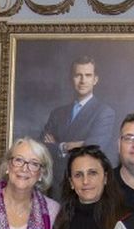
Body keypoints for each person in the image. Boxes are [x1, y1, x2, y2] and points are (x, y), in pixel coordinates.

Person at [42, 55, 117, 188]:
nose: (83, 80)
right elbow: (41, 147)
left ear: (95, 80)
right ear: (72, 79)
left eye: (88, 75)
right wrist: (75, 144)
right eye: (78, 75)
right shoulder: (57, 113)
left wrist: (59, 146)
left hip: (85, 187)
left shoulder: (105, 112)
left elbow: (94, 148)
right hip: (56, 186)